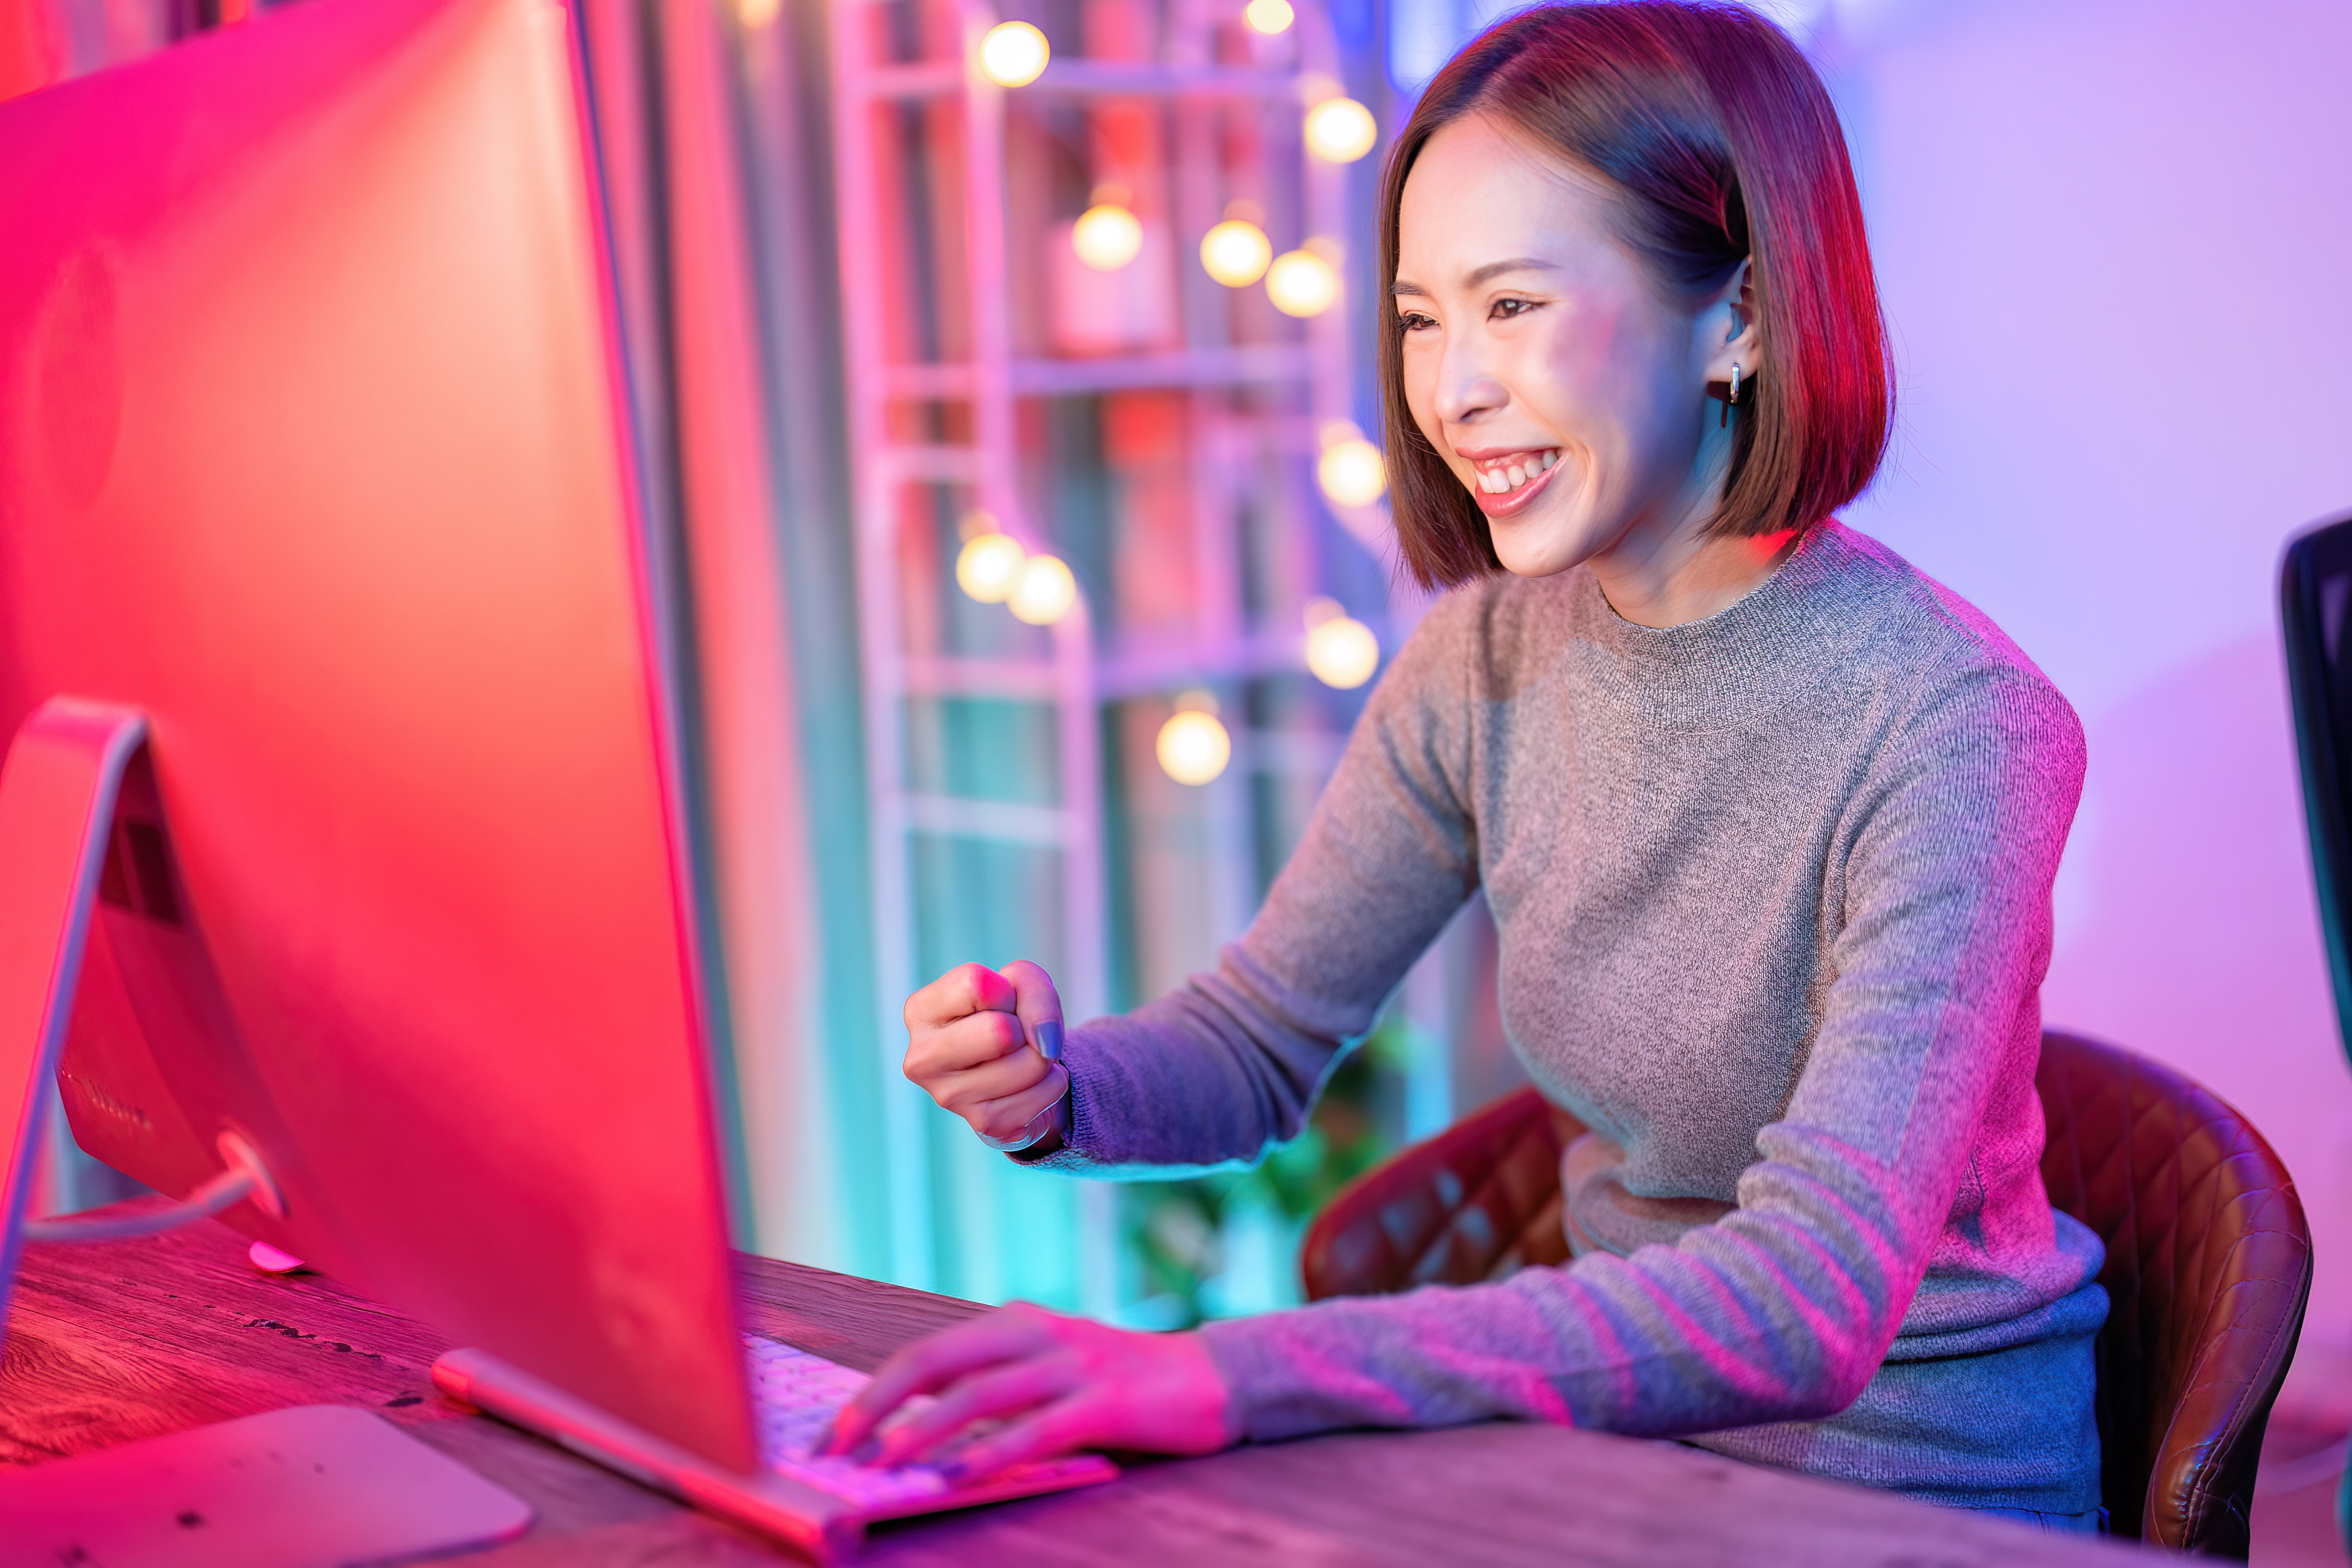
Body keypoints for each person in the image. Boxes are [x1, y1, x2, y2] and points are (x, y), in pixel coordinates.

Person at [824, 0, 2107, 1530]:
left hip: (1908, 1498)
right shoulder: (1481, 657)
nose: (1448, 391)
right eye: (1422, 317)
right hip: (1604, 1474)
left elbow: (1806, 1302)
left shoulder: (1953, 724)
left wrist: (1233, 1373)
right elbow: (1252, 1044)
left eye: (1511, 305)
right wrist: (1054, 1086)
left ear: (1741, 321)